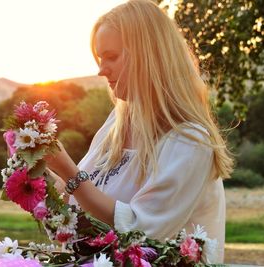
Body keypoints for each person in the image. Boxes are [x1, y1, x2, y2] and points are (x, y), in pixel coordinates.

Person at [45, 0, 233, 263]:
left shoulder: (190, 141)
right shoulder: (117, 125)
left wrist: (69, 171)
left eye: (111, 56)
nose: (101, 70)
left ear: (149, 55)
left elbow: (140, 238)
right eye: (100, 58)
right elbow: (76, 209)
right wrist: (36, 169)